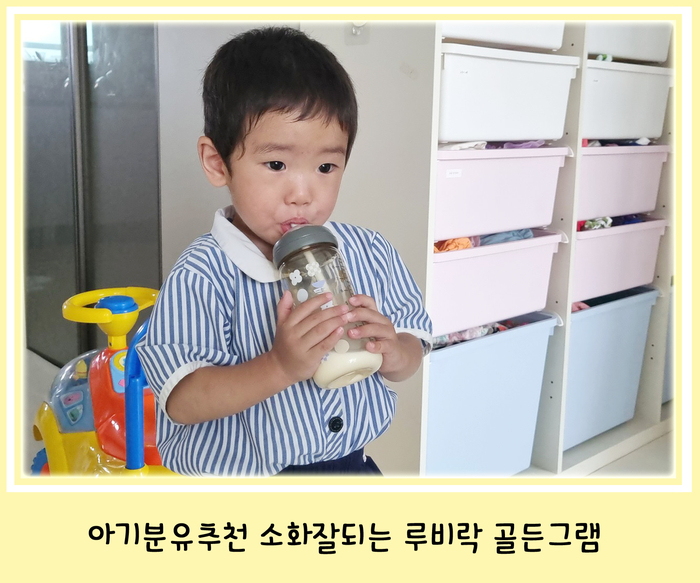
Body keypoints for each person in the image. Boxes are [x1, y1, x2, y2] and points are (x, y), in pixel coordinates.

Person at [137, 26, 432, 476]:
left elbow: (413, 347)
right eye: (276, 164)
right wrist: (278, 366)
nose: (302, 194)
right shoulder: (202, 274)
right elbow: (183, 401)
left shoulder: (369, 252)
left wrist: (394, 351)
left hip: (352, 467)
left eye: (326, 166)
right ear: (218, 163)